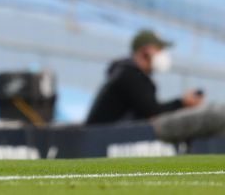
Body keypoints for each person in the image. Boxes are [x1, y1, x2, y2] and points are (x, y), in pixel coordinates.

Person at [86, 29, 225, 142]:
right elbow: (153, 114)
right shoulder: (129, 75)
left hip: (102, 137)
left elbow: (150, 110)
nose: (163, 54)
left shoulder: (129, 73)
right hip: (98, 140)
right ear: (144, 51)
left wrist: (182, 103)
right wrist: (182, 103)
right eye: (159, 49)